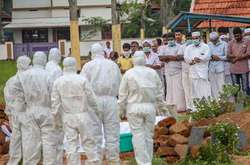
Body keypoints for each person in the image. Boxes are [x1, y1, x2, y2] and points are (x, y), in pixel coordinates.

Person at [51, 57, 101, 165]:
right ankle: (94, 163)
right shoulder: (82, 80)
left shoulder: (58, 82)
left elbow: (55, 104)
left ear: (63, 66)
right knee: (89, 143)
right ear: (74, 65)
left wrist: (56, 120)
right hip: (83, 115)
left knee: (71, 145)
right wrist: (97, 111)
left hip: (68, 116)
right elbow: (92, 99)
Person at [118, 51, 164, 165]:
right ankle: (148, 161)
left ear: (133, 59)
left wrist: (120, 111)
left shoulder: (128, 74)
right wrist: (162, 108)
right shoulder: (152, 73)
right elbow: (159, 93)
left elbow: (122, 95)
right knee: (148, 136)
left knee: (138, 136)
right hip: (149, 107)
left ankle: (143, 162)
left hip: (133, 107)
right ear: (145, 59)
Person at [81, 43, 122, 164]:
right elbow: (120, 83)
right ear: (104, 52)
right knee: (113, 133)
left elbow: (82, 86)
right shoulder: (113, 65)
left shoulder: (87, 66)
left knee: (94, 133)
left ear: (92, 53)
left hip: (94, 101)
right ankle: (114, 160)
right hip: (111, 100)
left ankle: (96, 161)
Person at [16, 51, 57, 164]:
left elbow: (18, 96)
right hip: (46, 111)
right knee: (49, 143)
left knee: (30, 143)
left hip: (29, 111)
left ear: (33, 60)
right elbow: (54, 96)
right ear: (44, 61)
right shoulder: (48, 75)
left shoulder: (24, 76)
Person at [4, 56, 31, 165]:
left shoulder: (11, 80)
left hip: (14, 113)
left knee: (16, 137)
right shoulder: (30, 80)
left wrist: (11, 110)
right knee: (29, 136)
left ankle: (14, 160)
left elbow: (7, 98)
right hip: (26, 113)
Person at [184, 32, 211, 111]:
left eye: (196, 38)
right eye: (193, 38)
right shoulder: (188, 48)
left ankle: (207, 107)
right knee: (194, 90)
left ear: (200, 38)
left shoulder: (205, 46)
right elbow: (186, 58)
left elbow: (207, 56)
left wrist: (199, 59)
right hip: (193, 71)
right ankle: (195, 108)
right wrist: (192, 60)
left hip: (203, 72)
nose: (195, 40)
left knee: (205, 90)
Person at [45, 48, 64, 165]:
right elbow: (58, 88)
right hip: (55, 103)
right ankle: (58, 161)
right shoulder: (57, 69)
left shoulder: (46, 66)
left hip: (45, 104)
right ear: (56, 56)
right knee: (58, 133)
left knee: (48, 134)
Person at [159, 32, 186, 112]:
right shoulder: (163, 48)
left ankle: (180, 107)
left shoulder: (179, 47)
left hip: (178, 70)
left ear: (174, 39)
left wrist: (167, 57)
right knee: (170, 89)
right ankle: (170, 107)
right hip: (168, 71)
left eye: (172, 39)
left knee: (178, 89)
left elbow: (179, 58)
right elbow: (160, 57)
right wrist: (170, 57)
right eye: (169, 39)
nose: (170, 40)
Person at [228, 27, 250, 95]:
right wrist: (238, 56)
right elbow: (228, 54)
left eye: (238, 35)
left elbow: (248, 54)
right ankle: (238, 105)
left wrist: (236, 58)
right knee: (235, 90)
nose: (237, 37)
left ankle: (247, 105)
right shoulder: (231, 42)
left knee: (245, 88)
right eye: (235, 36)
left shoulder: (247, 41)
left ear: (241, 34)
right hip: (234, 69)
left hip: (244, 69)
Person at [208, 32, 227, 99]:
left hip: (220, 68)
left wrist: (219, 58)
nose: (213, 42)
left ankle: (223, 101)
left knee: (222, 85)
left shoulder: (224, 44)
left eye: (215, 40)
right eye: (212, 40)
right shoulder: (209, 44)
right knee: (213, 86)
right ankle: (216, 102)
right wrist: (211, 57)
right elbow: (207, 56)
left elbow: (227, 57)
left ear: (218, 38)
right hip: (211, 68)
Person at [177, 32, 193, 110]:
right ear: (185, 38)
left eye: (191, 37)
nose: (189, 39)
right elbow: (179, 57)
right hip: (185, 70)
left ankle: (194, 106)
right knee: (186, 89)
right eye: (188, 37)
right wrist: (188, 58)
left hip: (194, 71)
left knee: (194, 88)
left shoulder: (195, 46)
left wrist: (185, 57)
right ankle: (189, 107)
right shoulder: (182, 46)